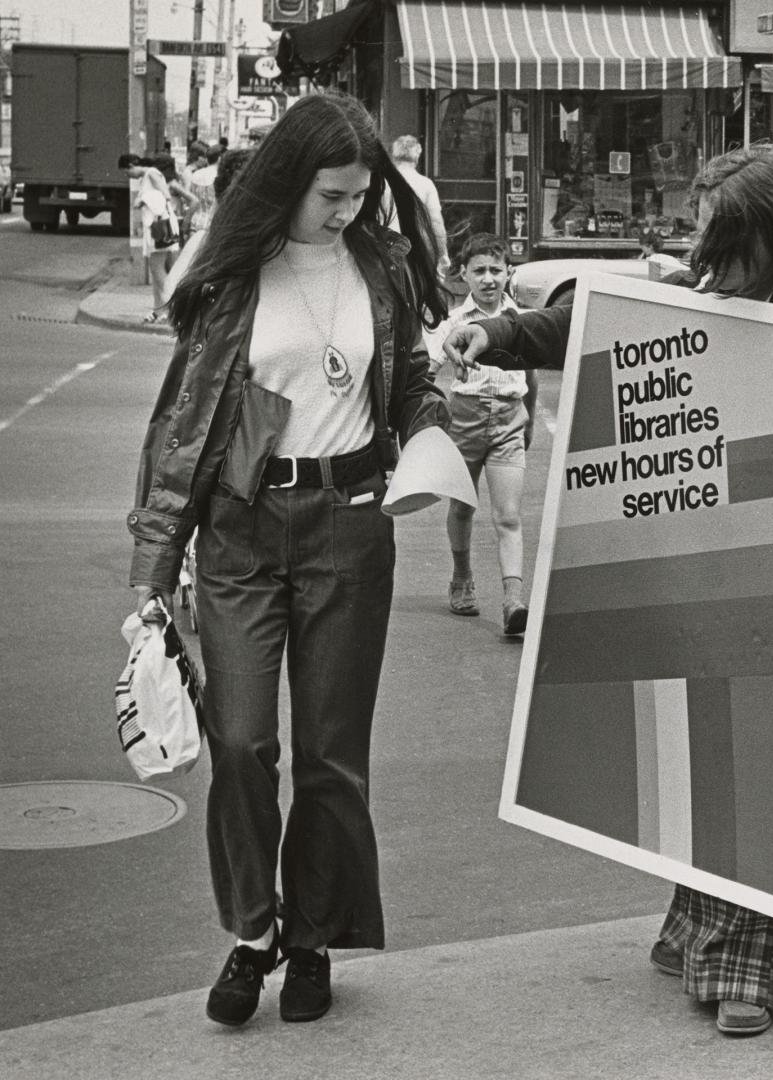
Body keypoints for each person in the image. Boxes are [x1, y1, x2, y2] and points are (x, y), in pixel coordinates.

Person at [443, 145, 773, 1037]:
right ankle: (699, 934)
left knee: (767, 770)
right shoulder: (701, 295)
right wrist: (492, 332)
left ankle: (749, 970)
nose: (706, 259)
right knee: (714, 761)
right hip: (703, 568)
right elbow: (585, 328)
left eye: (723, 242)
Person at [126, 90, 448, 1028]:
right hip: (241, 532)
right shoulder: (231, 275)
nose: (346, 210)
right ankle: (252, 932)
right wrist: (152, 577)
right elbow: (184, 430)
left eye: (358, 194)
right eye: (330, 194)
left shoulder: (382, 265)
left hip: (351, 524)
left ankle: (311, 940)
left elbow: (412, 381)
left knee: (332, 758)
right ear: (288, 180)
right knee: (239, 742)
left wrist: (430, 435)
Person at [434, 233, 537, 634]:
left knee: (509, 515)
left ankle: (513, 600)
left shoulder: (521, 319)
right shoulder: (455, 323)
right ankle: (462, 577)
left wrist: (527, 416)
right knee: (462, 506)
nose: (489, 278)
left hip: (509, 421)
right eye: (479, 271)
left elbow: (530, 370)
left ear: (509, 272)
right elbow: (428, 370)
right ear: (464, 275)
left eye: (496, 270)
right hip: (465, 420)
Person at [165, 147, 254, 301]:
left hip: (199, 219)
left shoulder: (196, 175)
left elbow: (192, 197)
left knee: (195, 263)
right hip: (216, 219)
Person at [118, 153, 186, 322]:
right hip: (157, 227)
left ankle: (175, 307)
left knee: (157, 269)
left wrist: (142, 200)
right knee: (156, 271)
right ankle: (159, 310)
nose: (128, 176)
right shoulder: (148, 176)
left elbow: (165, 196)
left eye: (127, 172)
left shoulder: (152, 173)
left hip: (159, 227)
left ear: (133, 165)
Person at [386, 134, 448, 265]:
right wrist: (443, 253)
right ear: (418, 154)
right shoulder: (425, 184)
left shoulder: (382, 182)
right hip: (415, 248)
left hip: (385, 247)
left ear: (393, 155)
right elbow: (436, 223)